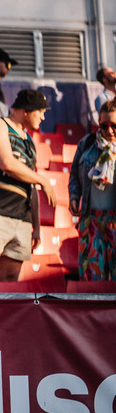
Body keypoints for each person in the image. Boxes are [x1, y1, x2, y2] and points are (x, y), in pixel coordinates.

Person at [0, 89, 57, 292]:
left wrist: (36, 224)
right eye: (40, 112)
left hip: (21, 219)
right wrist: (44, 180)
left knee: (10, 281)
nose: (43, 117)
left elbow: (31, 185)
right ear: (26, 110)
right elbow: (6, 163)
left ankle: (1, 324)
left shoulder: (30, 142)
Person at [70, 98, 116, 281]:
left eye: (115, 125)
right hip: (91, 220)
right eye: (104, 126)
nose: (110, 130)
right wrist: (74, 196)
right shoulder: (87, 143)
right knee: (92, 280)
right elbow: (74, 174)